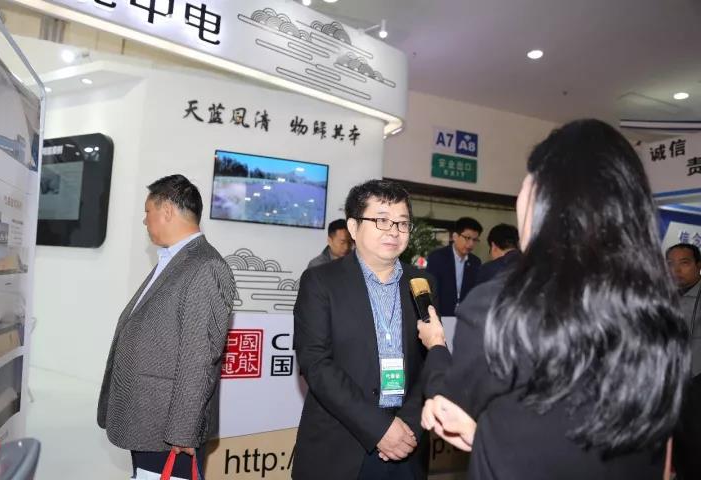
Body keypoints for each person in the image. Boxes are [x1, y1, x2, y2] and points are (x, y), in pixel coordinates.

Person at [417, 119, 689, 479]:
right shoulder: (658, 311)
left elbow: (447, 407)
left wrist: (436, 344)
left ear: (541, 198)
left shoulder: (500, 305)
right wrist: (488, 436)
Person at [293, 179, 436, 480]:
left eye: (402, 223)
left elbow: (431, 358)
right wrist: (380, 428)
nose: (394, 231)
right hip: (341, 445)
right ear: (353, 227)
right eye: (382, 220)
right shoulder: (320, 282)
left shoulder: (422, 283)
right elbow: (316, 363)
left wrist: (408, 424)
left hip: (407, 444)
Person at [97, 174, 235, 480]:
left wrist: (183, 431)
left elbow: (199, 358)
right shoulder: (175, 260)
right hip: (148, 418)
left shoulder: (206, 266)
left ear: (167, 210)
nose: (145, 221)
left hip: (167, 429)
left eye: (148, 211)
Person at [666, 243, 701, 480]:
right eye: (670, 264)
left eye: (684, 263)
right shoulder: (663, 297)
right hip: (670, 387)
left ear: (699, 266)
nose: (676, 270)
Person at [425, 217, 482, 316]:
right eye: (467, 238)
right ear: (455, 236)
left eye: (475, 240)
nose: (471, 244)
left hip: (465, 316)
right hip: (441, 315)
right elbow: (430, 290)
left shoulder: (475, 262)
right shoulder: (437, 258)